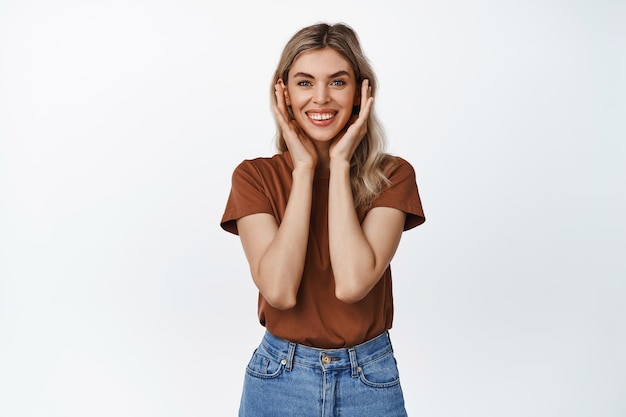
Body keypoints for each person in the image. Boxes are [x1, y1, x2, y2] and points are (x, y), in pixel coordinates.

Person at [220, 22, 425, 417]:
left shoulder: (393, 175)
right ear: (283, 93)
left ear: (361, 93)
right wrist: (303, 170)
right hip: (279, 377)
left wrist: (341, 161)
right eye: (304, 82)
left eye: (337, 82)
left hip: (368, 377)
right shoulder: (254, 177)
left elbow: (352, 283)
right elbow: (279, 291)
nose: (320, 98)